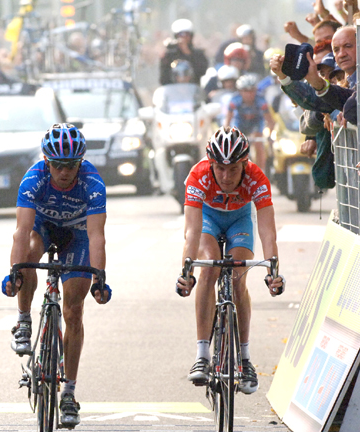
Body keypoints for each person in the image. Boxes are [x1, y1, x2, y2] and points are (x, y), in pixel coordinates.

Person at [1, 123, 111, 428]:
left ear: (80, 162)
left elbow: (96, 236)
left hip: (77, 236)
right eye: (59, 165)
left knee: (74, 309)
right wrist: (14, 272)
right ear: (47, 162)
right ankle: (24, 321)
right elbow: (22, 232)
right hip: (43, 229)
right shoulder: (33, 178)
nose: (65, 172)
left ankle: (68, 393)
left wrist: (100, 277)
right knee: (28, 255)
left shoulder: (93, 184)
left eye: (72, 165)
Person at [176, 126, 285, 395]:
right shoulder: (198, 175)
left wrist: (273, 271)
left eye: (234, 169)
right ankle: (202, 354)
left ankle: (245, 359)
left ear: (245, 164)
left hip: (239, 220)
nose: (226, 176)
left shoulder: (256, 178)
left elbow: (268, 230)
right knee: (209, 267)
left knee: (238, 277)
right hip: (208, 220)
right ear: (210, 163)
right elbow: (191, 231)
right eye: (220, 169)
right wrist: (186, 270)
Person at [224, 74, 275, 173]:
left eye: (252, 90)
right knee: (236, 143)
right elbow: (228, 120)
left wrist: (270, 135)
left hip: (256, 123)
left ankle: (261, 171)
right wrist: (227, 133)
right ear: (240, 91)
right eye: (245, 91)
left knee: (258, 142)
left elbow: (270, 121)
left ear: (256, 90)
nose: (249, 94)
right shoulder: (235, 99)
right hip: (240, 122)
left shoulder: (261, 100)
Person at [159, 19, 208, 86]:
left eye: (187, 34)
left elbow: (201, 72)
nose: (184, 37)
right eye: (181, 35)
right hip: (173, 91)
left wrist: (187, 52)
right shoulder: (170, 55)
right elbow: (163, 78)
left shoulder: (198, 54)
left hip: (193, 92)